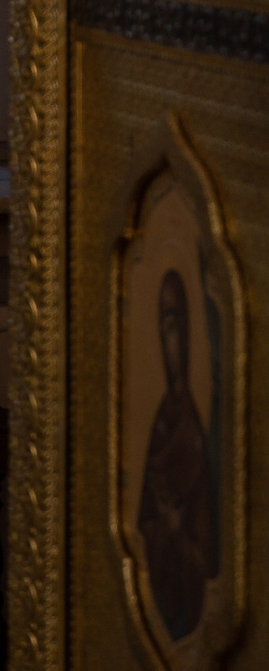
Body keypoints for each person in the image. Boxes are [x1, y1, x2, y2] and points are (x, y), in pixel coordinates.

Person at [136, 267, 218, 641]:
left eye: (178, 326)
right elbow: (142, 519)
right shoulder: (161, 419)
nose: (173, 340)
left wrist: (177, 533)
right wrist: (161, 526)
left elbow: (207, 543)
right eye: (165, 327)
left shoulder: (197, 424)